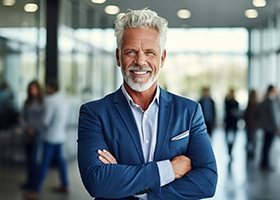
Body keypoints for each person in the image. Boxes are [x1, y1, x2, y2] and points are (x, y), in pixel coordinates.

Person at [78, 8, 217, 200]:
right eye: (131, 52)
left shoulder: (189, 111)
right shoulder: (94, 113)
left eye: (150, 52)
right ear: (118, 57)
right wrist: (168, 169)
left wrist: (130, 185)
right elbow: (97, 182)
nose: (140, 61)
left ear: (162, 58)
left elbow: (207, 182)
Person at [26, 78, 69, 199]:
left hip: (50, 137)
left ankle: (35, 190)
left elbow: (45, 121)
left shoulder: (50, 101)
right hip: (60, 136)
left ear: (50, 88)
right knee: (61, 162)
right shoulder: (63, 98)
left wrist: (35, 127)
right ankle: (65, 185)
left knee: (44, 163)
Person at [20, 80, 45, 190]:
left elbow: (43, 119)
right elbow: (21, 117)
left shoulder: (42, 103)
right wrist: (27, 127)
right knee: (29, 159)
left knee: (35, 159)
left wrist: (34, 128)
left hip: (37, 133)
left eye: (34, 88)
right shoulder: (26, 102)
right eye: (31, 89)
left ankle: (35, 184)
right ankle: (29, 182)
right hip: (26, 133)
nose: (33, 91)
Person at [258, 85, 280, 170]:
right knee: (267, 146)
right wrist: (277, 126)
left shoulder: (265, 101)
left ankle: (264, 163)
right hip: (270, 127)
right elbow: (273, 115)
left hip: (266, 126)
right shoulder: (270, 102)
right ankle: (265, 164)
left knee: (265, 146)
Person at [243, 89, 260, 160]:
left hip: (251, 125)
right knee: (251, 140)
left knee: (251, 140)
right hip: (252, 125)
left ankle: (250, 153)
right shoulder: (255, 104)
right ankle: (250, 153)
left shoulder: (252, 104)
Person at [224, 88, 239, 161]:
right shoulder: (227, 101)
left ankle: (231, 150)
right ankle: (228, 150)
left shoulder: (236, 102)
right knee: (227, 137)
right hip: (228, 122)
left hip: (234, 123)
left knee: (234, 138)